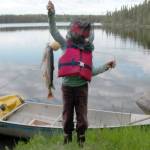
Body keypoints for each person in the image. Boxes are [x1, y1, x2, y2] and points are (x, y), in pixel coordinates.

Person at [47, 0, 116, 147]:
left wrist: (106, 66)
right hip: (67, 88)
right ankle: (67, 140)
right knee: (67, 117)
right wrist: (51, 13)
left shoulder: (87, 48)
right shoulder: (65, 44)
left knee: (82, 118)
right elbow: (54, 31)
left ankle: (81, 141)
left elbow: (90, 72)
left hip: (82, 88)